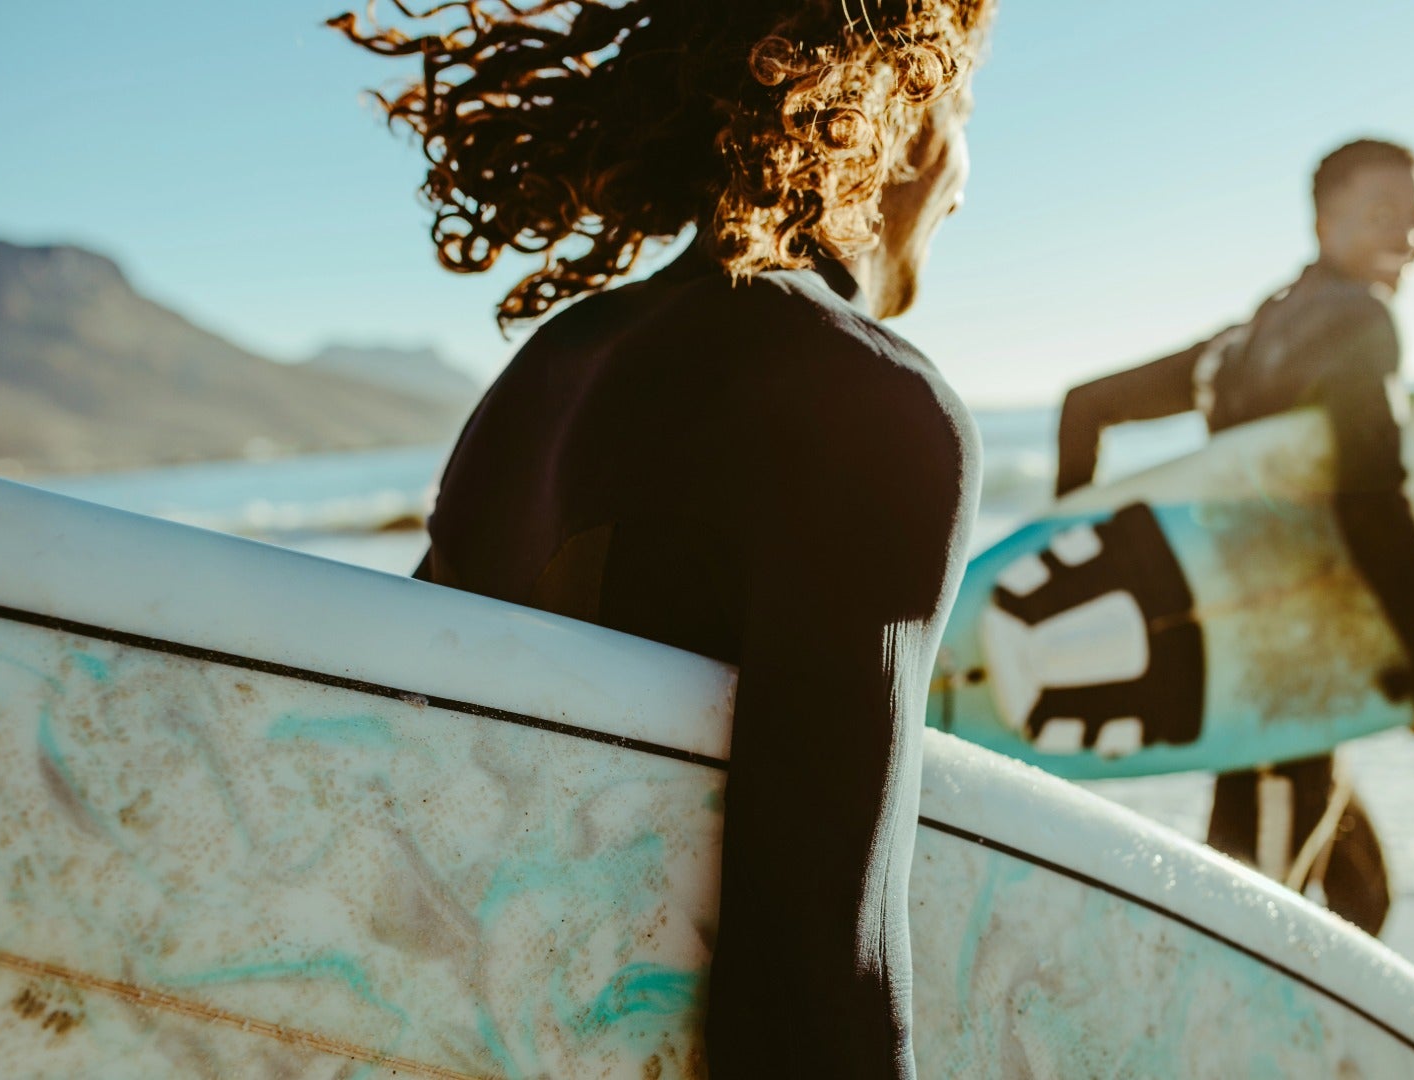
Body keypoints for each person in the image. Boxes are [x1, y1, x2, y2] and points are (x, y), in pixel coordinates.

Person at [334, 2, 994, 1075]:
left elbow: (410, 788)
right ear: (902, 113)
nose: (965, 172)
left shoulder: (551, 366)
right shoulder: (868, 405)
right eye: (961, 108)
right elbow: (816, 964)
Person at [1053, 139, 1414, 936]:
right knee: (1246, 939)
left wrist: (1068, 559)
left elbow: (1085, 407)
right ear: (1325, 219)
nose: (1408, 235)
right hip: (1286, 679)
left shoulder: (1246, 339)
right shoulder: (1361, 319)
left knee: (1361, 899)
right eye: (1381, 213)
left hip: (1249, 654)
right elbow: (1369, 500)